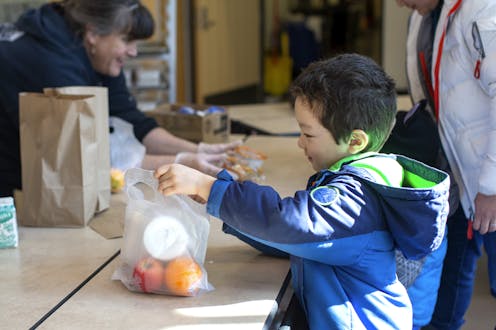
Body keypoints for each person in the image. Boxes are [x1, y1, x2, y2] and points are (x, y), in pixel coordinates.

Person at [154, 53, 451, 329]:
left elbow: (292, 223)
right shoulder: (360, 178)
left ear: (355, 141)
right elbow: (299, 238)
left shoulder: (355, 198)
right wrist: (220, 198)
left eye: (308, 133)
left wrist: (210, 187)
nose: (300, 142)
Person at [0, 0, 239, 198]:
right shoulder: (53, 64)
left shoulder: (91, 51)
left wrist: (199, 151)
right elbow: (90, 153)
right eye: (127, 40)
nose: (134, 52)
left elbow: (131, 118)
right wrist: (182, 162)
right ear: (93, 33)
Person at [395, 1, 496, 329]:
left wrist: (492, 186)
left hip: (487, 179)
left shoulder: (481, 9)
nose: (398, 2)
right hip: (459, 174)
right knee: (453, 276)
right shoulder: (421, 17)